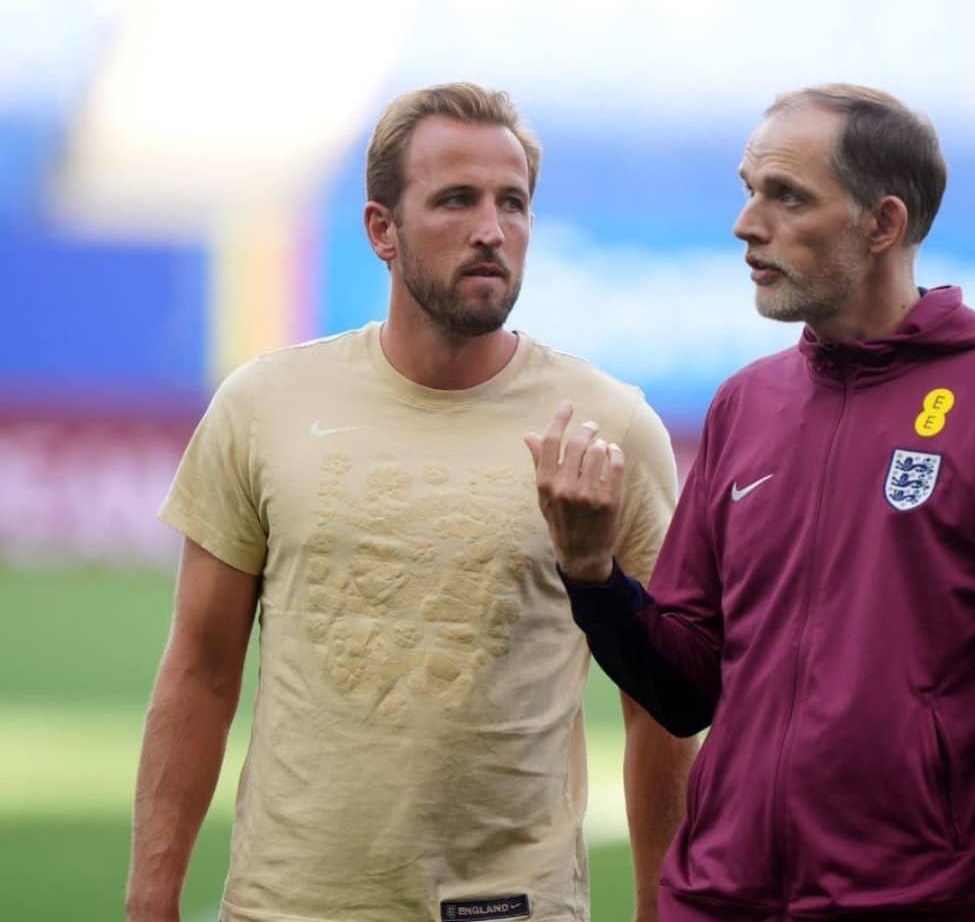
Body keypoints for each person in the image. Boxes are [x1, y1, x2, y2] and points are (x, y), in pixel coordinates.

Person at [526, 85, 975, 922]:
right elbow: (685, 690)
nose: (746, 223)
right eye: (749, 189)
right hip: (717, 899)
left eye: (787, 196)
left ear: (883, 224)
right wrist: (592, 575)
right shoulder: (745, 404)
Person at [127, 82, 697, 922]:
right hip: (287, 907)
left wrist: (663, 909)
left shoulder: (609, 426)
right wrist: (151, 897)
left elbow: (662, 704)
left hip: (511, 908)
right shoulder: (263, 405)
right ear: (381, 230)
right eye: (457, 200)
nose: (491, 229)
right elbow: (201, 669)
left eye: (513, 203)